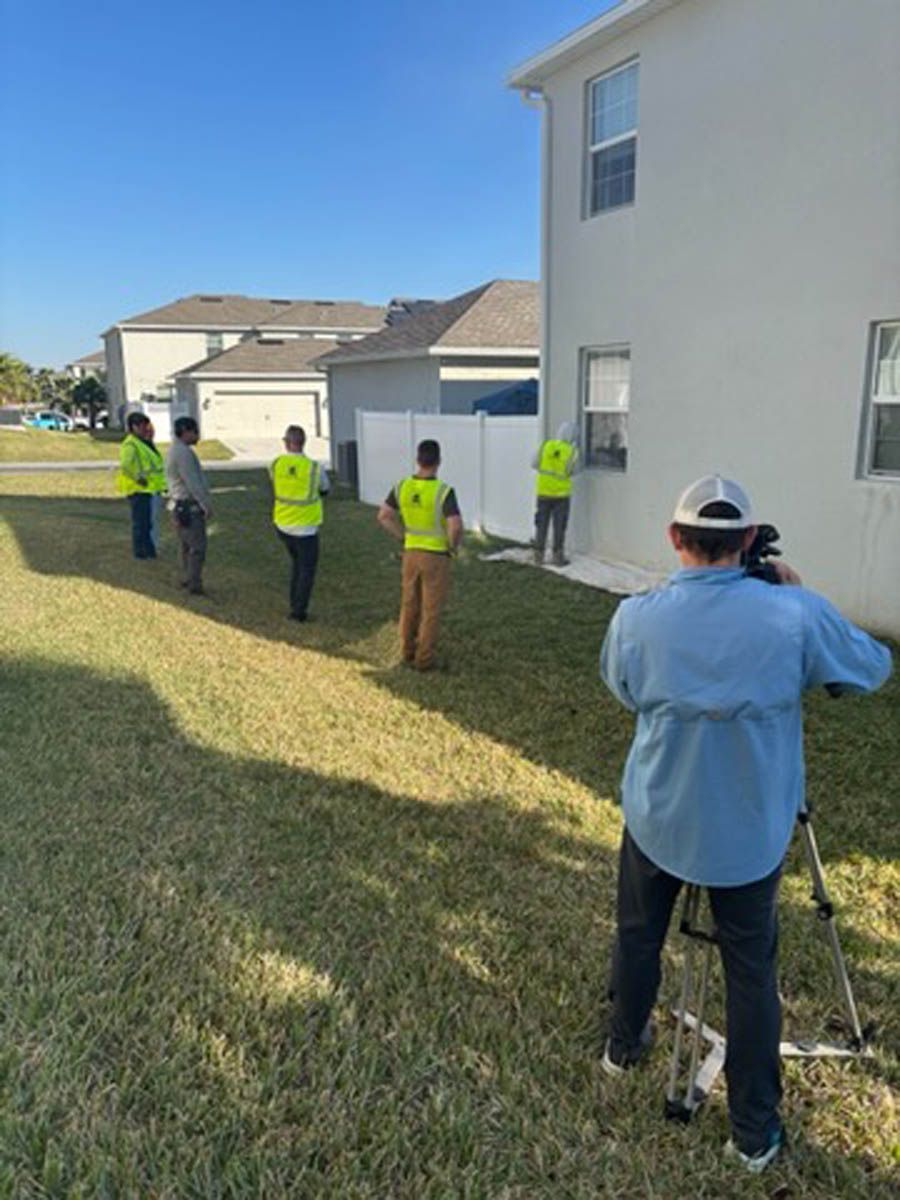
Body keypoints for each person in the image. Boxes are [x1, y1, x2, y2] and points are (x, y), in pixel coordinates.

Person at [599, 474, 891, 1173]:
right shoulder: (792, 614)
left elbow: (623, 688)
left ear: (675, 539)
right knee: (751, 972)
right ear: (752, 542)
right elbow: (869, 668)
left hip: (659, 813)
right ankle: (754, 1132)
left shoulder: (637, 616)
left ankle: (622, 1045)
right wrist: (793, 595)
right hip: (749, 832)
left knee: (638, 934)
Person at [377, 439, 463, 671]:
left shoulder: (402, 486)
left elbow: (384, 515)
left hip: (411, 553)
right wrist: (452, 547)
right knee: (431, 608)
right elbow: (455, 525)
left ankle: (407, 651)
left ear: (418, 460)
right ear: (439, 462)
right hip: (436, 555)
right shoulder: (443, 491)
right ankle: (424, 659)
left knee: (409, 604)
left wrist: (403, 537)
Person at [270, 425, 330, 622]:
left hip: (282, 523)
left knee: (297, 565)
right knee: (306, 570)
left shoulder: (276, 464)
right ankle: (298, 611)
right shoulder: (314, 467)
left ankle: (294, 602)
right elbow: (324, 488)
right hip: (306, 527)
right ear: (303, 442)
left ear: (286, 442)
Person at [165, 416, 212, 595]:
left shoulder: (174, 450)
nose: (197, 435)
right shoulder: (183, 453)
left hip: (178, 505)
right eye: (195, 431)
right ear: (185, 431)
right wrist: (205, 504)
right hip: (188, 505)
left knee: (185, 545)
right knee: (197, 547)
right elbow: (192, 482)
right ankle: (194, 582)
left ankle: (186, 576)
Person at [116, 411, 166, 559]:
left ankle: (149, 551)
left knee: (147, 523)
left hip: (149, 488)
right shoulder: (131, 444)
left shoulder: (143, 442)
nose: (145, 428)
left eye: (146, 425)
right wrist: (139, 478)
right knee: (141, 524)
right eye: (142, 425)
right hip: (139, 489)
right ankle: (141, 552)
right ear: (134, 427)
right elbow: (126, 465)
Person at [532, 421, 580, 566]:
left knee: (541, 525)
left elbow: (534, 463)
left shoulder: (545, 445)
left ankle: (538, 556)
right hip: (561, 495)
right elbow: (574, 471)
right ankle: (558, 558)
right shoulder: (572, 452)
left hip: (543, 492)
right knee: (559, 526)